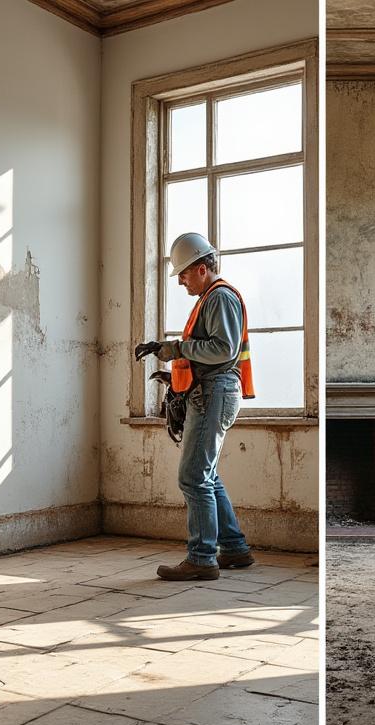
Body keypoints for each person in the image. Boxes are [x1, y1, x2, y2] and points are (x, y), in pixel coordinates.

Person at [136, 233, 256, 580]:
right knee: (207, 475)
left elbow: (222, 349)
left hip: (215, 391)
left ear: (202, 268)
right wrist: (168, 351)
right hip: (212, 391)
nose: (180, 280)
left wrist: (176, 349)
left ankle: (202, 558)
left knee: (192, 477)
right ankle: (234, 548)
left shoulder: (219, 297)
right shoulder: (212, 298)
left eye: (184, 274)